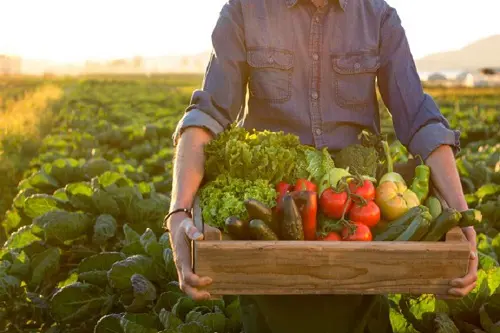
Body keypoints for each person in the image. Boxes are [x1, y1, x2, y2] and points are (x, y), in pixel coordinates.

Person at [165, 0, 478, 332]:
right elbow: (207, 115)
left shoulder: (378, 16)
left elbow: (420, 120)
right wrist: (178, 212)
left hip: (357, 219)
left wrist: (462, 218)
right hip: (270, 220)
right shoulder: (245, 10)